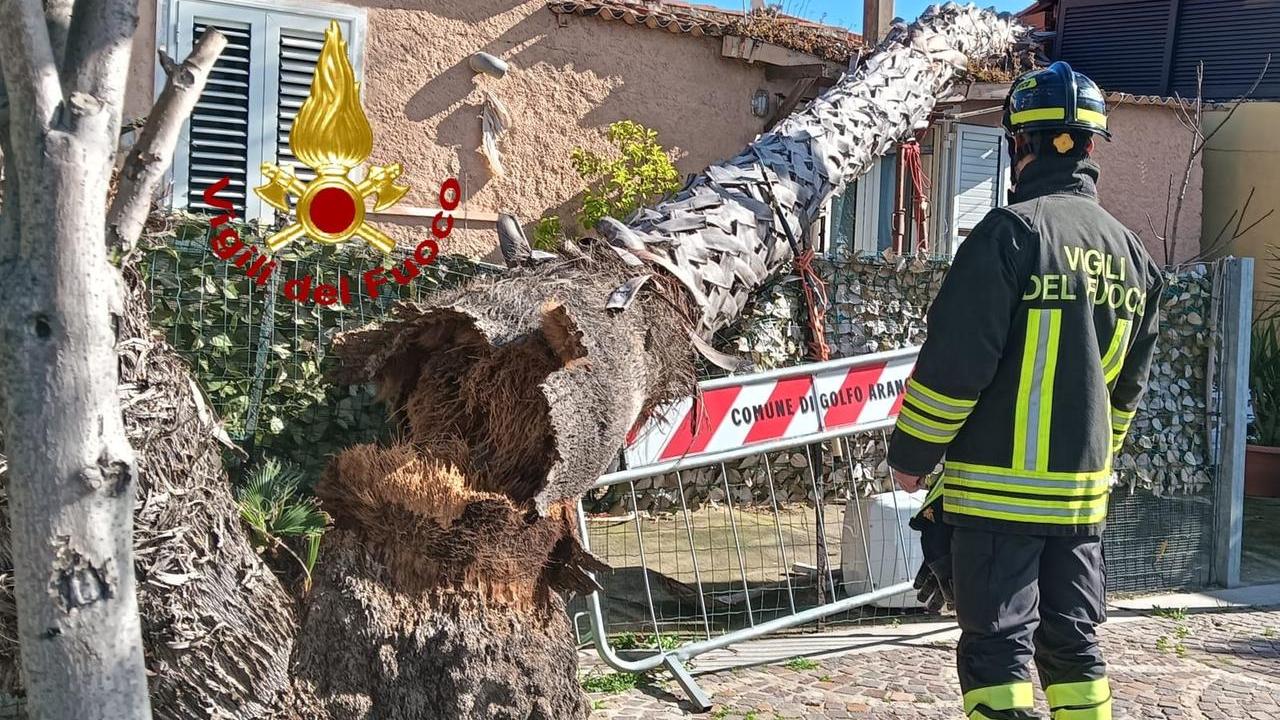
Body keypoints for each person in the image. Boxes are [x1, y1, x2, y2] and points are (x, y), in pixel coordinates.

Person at [886, 61, 1164, 720]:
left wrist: (913, 458)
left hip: (995, 501)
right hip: (1079, 506)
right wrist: (1089, 466)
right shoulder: (1135, 259)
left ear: (1019, 144)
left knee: (997, 650)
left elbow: (956, 368)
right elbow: (1125, 397)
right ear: (1093, 147)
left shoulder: (1010, 235)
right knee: (1072, 645)